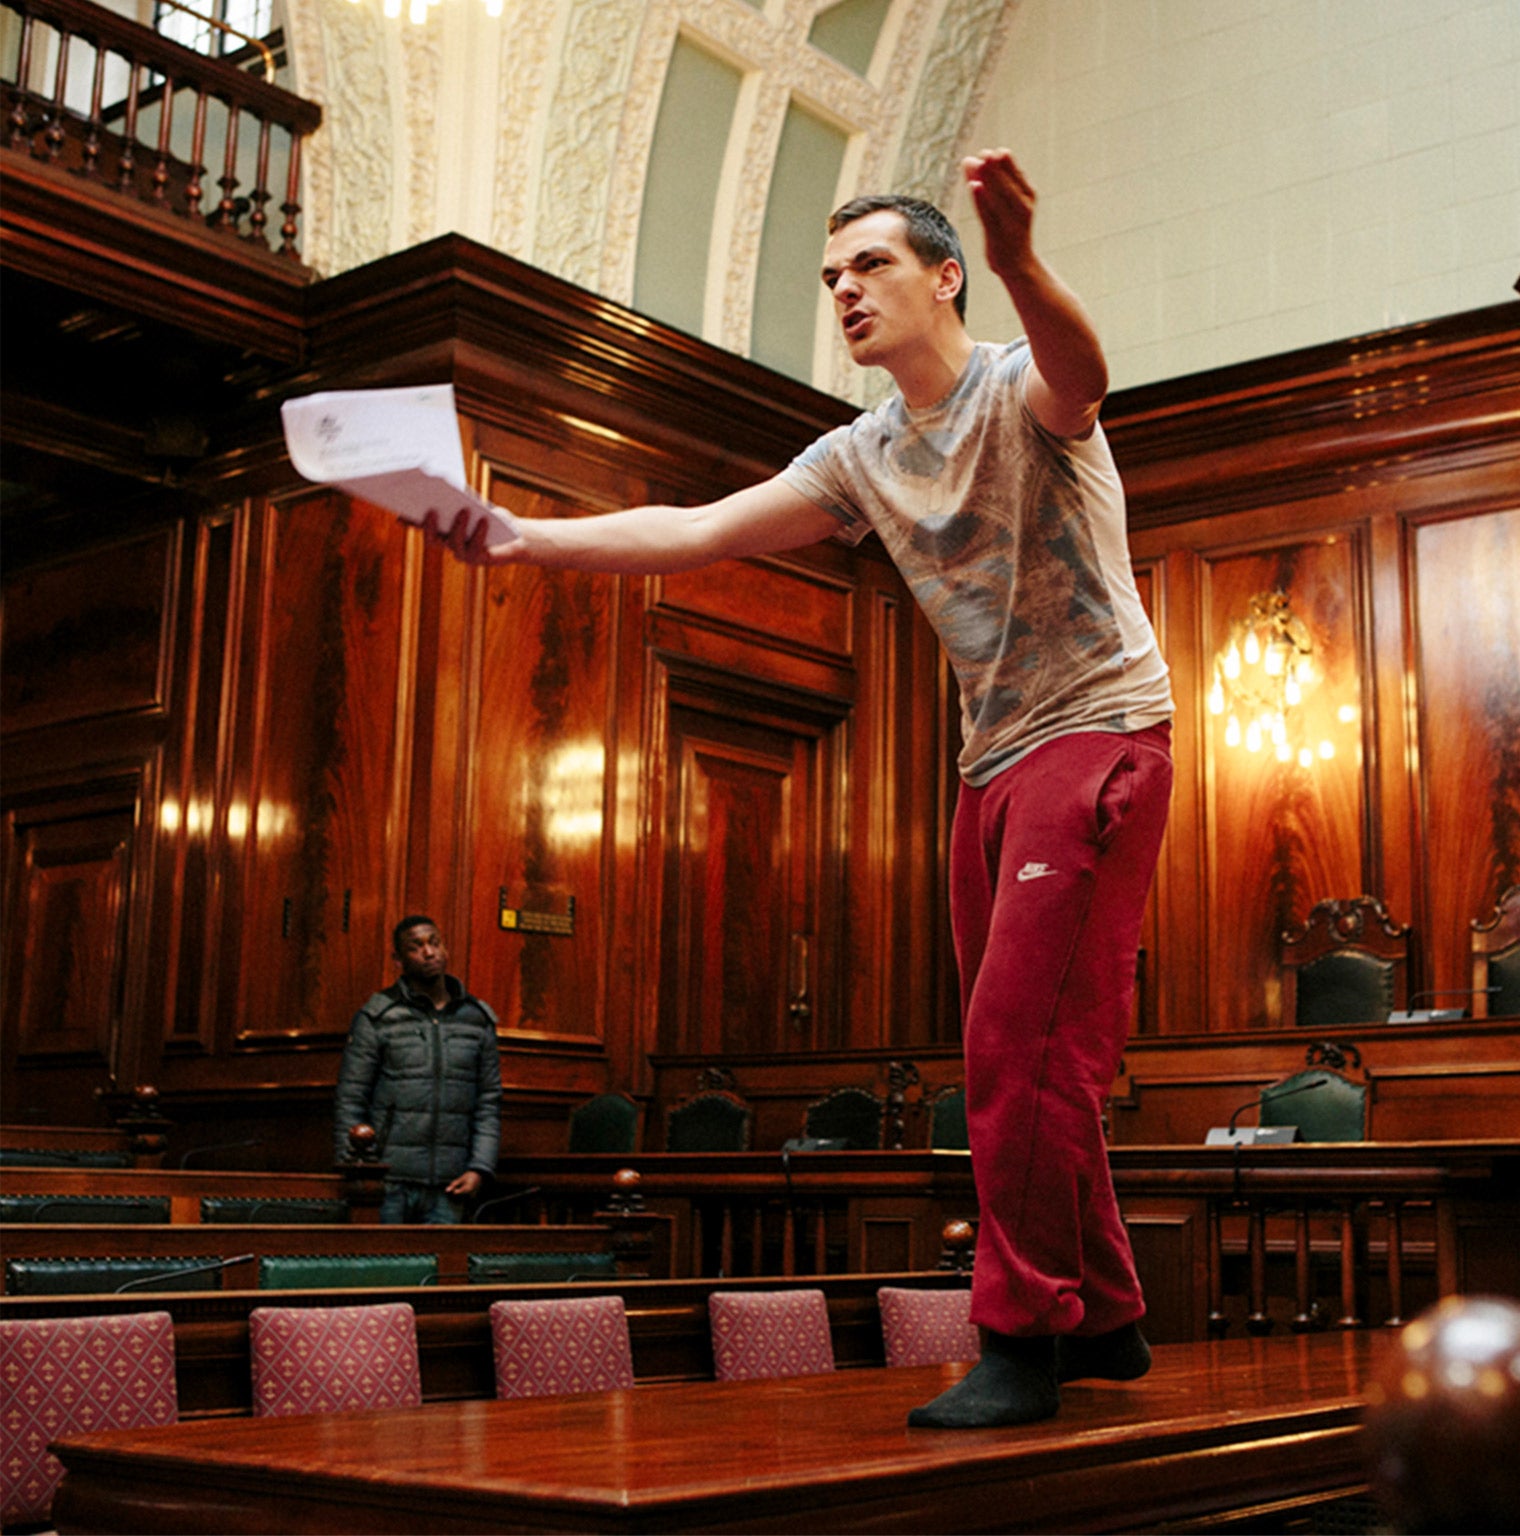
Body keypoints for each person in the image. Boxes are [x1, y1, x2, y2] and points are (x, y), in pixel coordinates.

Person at [434, 149, 1173, 1427]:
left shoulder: (1014, 389)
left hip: (1099, 736)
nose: (844, 289)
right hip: (988, 763)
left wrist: (1021, 261)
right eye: (829, 274)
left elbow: (1084, 376)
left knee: (1016, 1048)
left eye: (871, 264)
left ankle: (1019, 1337)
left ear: (946, 277)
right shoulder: (860, 454)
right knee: (1021, 1049)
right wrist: (513, 532)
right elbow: (694, 528)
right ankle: (1099, 1319)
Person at [334, 915, 502, 1225]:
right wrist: (357, 1172)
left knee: (440, 1271)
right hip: (387, 1179)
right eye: (416, 947)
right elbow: (351, 1098)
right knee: (382, 1270)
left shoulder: (476, 1018)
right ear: (398, 959)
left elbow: (488, 1102)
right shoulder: (379, 1016)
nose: (429, 953)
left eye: (434, 943)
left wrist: (479, 1168)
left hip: (451, 1183)